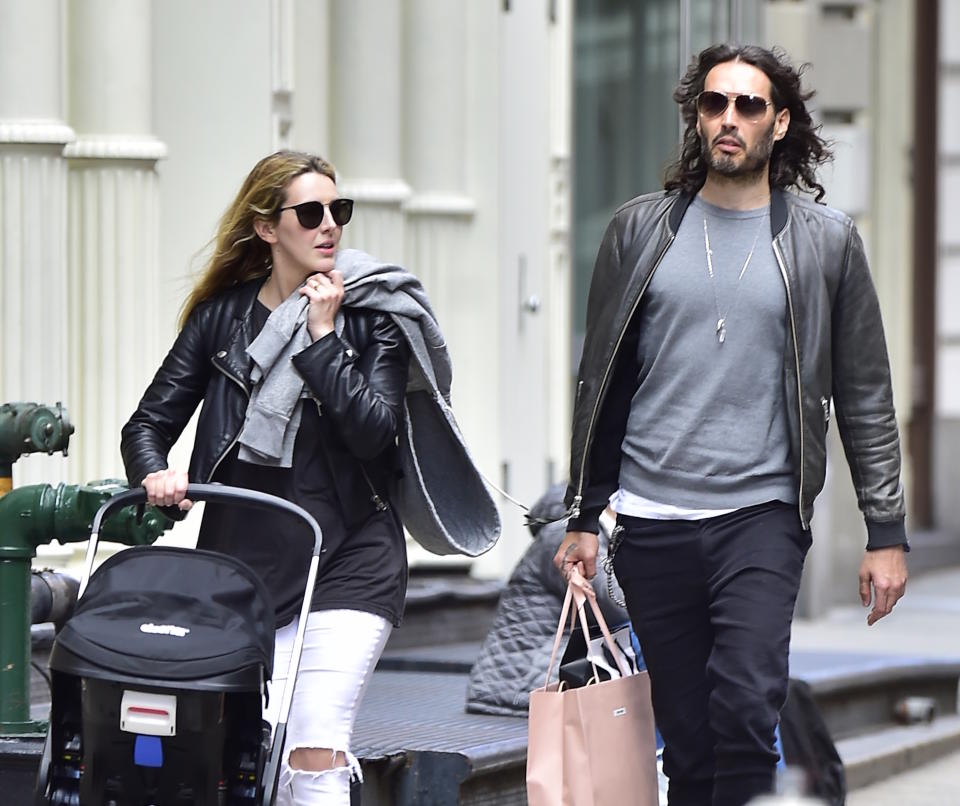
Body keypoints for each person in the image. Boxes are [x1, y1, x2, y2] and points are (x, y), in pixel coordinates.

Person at [554, 44, 908, 806]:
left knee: (746, 708)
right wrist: (585, 512)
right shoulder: (638, 232)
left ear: (779, 124)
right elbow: (602, 385)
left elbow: (866, 393)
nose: (729, 119)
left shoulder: (826, 241)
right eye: (716, 103)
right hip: (651, 518)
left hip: (761, 514)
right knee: (686, 736)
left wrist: (886, 532)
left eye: (749, 106)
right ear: (697, 115)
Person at [121, 150, 412, 805]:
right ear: (266, 228)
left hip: (349, 558)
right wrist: (156, 474)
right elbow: (146, 425)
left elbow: (376, 436)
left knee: (313, 748)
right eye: (310, 213)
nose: (329, 226)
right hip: (240, 568)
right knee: (254, 751)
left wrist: (323, 339)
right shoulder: (220, 321)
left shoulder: (373, 321)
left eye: (339, 211)